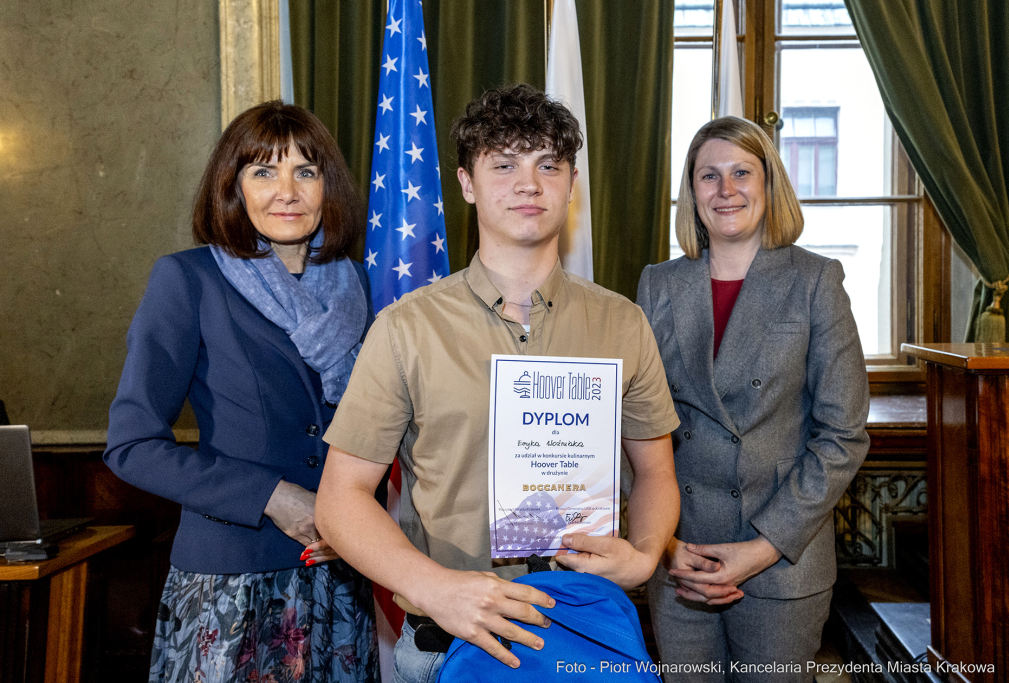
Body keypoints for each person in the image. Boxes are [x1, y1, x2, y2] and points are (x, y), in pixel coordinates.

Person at [314, 84, 682, 683]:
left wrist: (642, 560)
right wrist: (438, 591)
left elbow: (658, 473)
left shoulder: (622, 323)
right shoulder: (406, 327)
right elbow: (340, 498)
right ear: (466, 184)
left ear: (570, 184)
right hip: (444, 648)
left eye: (548, 165)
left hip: (585, 635)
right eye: (504, 164)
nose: (528, 183)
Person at [104, 101, 380, 683]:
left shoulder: (356, 283)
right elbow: (131, 446)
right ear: (233, 187)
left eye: (306, 171)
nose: (288, 190)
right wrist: (274, 496)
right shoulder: (188, 280)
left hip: (342, 576)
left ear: (328, 186)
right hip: (231, 585)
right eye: (263, 172)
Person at [637, 116, 870, 681]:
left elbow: (842, 436)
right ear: (691, 193)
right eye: (708, 176)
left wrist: (762, 549)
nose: (726, 190)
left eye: (742, 172)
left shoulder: (816, 280)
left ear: (769, 184)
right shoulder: (657, 284)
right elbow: (636, 427)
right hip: (680, 559)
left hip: (782, 561)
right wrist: (661, 542)